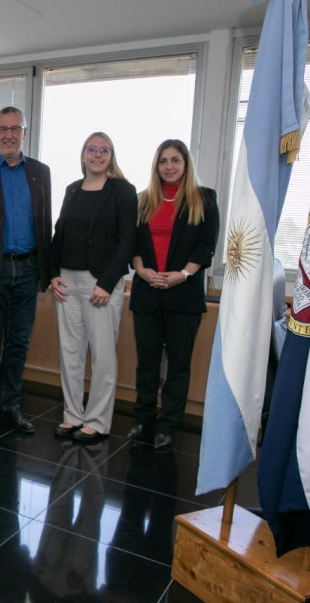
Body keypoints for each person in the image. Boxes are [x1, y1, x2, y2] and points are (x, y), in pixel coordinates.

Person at [128, 139, 219, 449]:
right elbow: (134, 246)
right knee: (147, 362)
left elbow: (205, 246)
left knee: (178, 364)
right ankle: (143, 419)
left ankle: (168, 424)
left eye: (175, 160)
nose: (169, 166)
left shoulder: (203, 199)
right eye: (163, 161)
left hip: (184, 296)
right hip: (147, 293)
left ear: (185, 164)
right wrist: (141, 271)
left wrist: (183, 275)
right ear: (157, 166)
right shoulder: (142, 200)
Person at [49, 132, 137, 444]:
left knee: (102, 355)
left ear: (111, 156)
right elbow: (60, 233)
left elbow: (128, 240)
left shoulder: (123, 191)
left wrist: (107, 283)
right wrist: (51, 274)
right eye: (91, 149)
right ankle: (73, 415)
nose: (97, 154)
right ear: (83, 154)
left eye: (104, 150)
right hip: (66, 280)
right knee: (70, 352)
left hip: (101, 281)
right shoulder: (72, 189)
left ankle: (98, 421)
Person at [0, 107, 52, 435]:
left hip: (29, 267)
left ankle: (11, 406)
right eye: (2, 129)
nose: (8, 134)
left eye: (14, 128)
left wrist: (49, 269)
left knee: (19, 341)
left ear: (25, 132)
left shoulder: (40, 171)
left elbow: (45, 220)